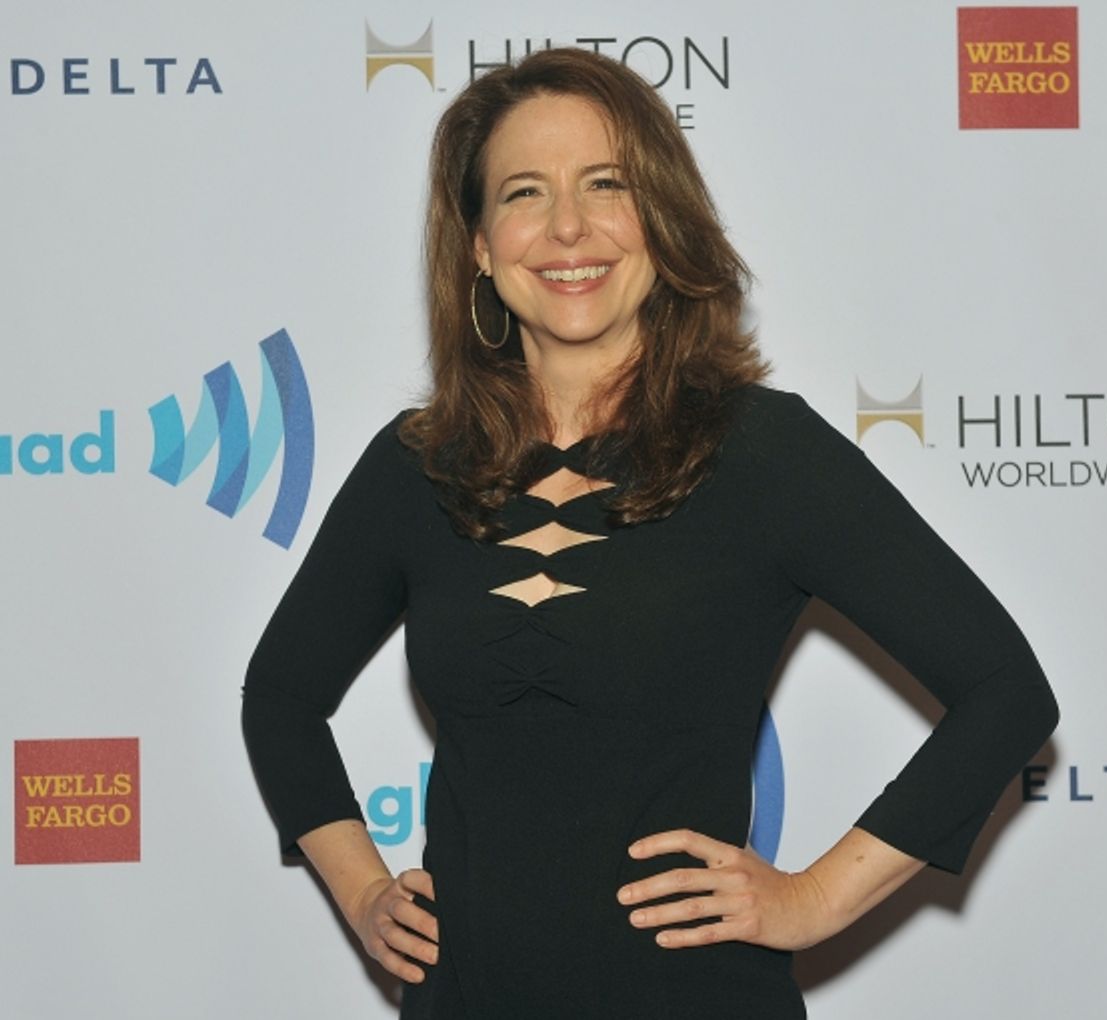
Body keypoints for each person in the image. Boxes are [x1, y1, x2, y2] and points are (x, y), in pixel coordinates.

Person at [242, 47, 1058, 1019]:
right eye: (523, 193)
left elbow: (1007, 695)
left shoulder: (765, 454)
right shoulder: (416, 465)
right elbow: (282, 695)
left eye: (605, 184)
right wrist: (364, 892)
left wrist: (814, 897)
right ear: (478, 244)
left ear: (661, 220)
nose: (568, 228)